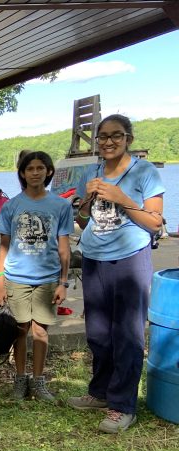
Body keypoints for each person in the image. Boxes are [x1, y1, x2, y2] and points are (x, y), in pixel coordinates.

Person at [67, 114, 165, 433]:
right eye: (103, 136)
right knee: (97, 331)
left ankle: (122, 405)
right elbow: (85, 222)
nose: (109, 141)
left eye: (116, 135)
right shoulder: (94, 172)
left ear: (129, 139)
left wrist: (122, 198)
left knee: (127, 333)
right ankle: (100, 392)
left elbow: (155, 223)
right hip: (94, 256)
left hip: (129, 259)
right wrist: (84, 204)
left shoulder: (144, 172)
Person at [0, 151, 74, 403]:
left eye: (41, 168)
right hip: (16, 277)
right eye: (30, 168)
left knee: (40, 331)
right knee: (20, 330)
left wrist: (63, 282)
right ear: (22, 173)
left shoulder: (60, 206)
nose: (35, 172)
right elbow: (4, 245)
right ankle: (20, 380)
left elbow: (63, 247)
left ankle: (38, 382)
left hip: (48, 278)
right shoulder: (11, 206)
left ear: (49, 171)